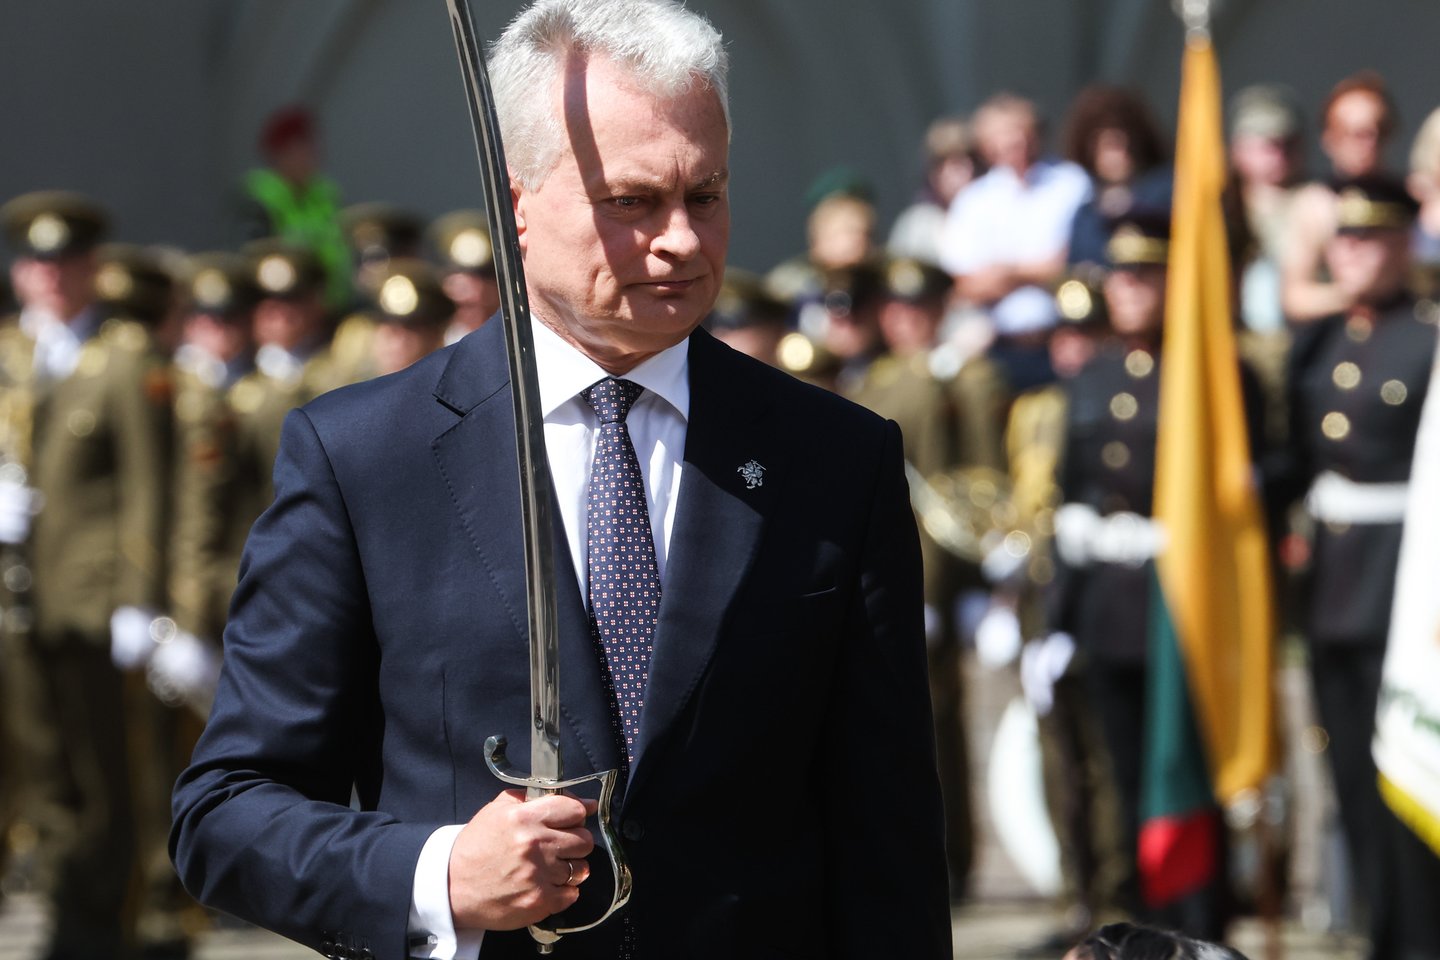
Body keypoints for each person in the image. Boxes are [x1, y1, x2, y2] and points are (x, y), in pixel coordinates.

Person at [171, 3, 952, 960]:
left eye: (705, 195)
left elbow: (889, 837)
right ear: (518, 205)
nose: (682, 240)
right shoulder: (364, 458)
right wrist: (440, 876)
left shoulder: (835, 458)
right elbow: (227, 812)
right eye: (632, 202)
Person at [0, 190, 174, 960]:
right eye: (38, 263)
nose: (51, 276)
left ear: (91, 269)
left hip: (95, 596)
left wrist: (140, 597)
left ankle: (104, 922)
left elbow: (148, 485)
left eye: (66, 262)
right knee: (43, 765)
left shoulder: (121, 354)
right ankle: (66, 906)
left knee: (106, 771)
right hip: (22, 599)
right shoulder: (12, 355)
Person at [1275, 175, 1440, 960]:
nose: (1352, 253)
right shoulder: (1321, 339)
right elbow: (1296, 458)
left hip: (1406, 586)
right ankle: (1381, 932)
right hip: (1332, 586)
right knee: (1349, 777)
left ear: (1403, 245)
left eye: (1369, 239)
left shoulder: (1429, 336)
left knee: (1408, 769)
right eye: (1343, 239)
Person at [938, 93, 1092, 392]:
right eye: (1003, 134)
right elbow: (962, 284)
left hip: (1065, 343)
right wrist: (1037, 271)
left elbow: (1075, 263)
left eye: (1022, 130)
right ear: (985, 144)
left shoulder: (1071, 183)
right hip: (999, 348)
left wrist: (1010, 273)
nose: (1015, 141)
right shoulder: (973, 201)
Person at [1280, 72, 1399, 324]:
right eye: (1355, 133)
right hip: (1336, 333)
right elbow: (1294, 297)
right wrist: (1351, 294)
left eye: (1378, 130)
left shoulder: (1409, 198)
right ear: (1329, 138)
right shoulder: (1313, 204)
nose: (1368, 143)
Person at [240, 106, 352, 311]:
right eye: (300, 148)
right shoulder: (258, 202)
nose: (311, 155)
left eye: (312, 146)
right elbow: (252, 263)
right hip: (284, 308)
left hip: (330, 306)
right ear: (279, 154)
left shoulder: (326, 196)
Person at [888, 115, 983, 265]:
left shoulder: (999, 211)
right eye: (955, 164)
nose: (968, 171)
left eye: (973, 162)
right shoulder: (918, 224)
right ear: (934, 173)